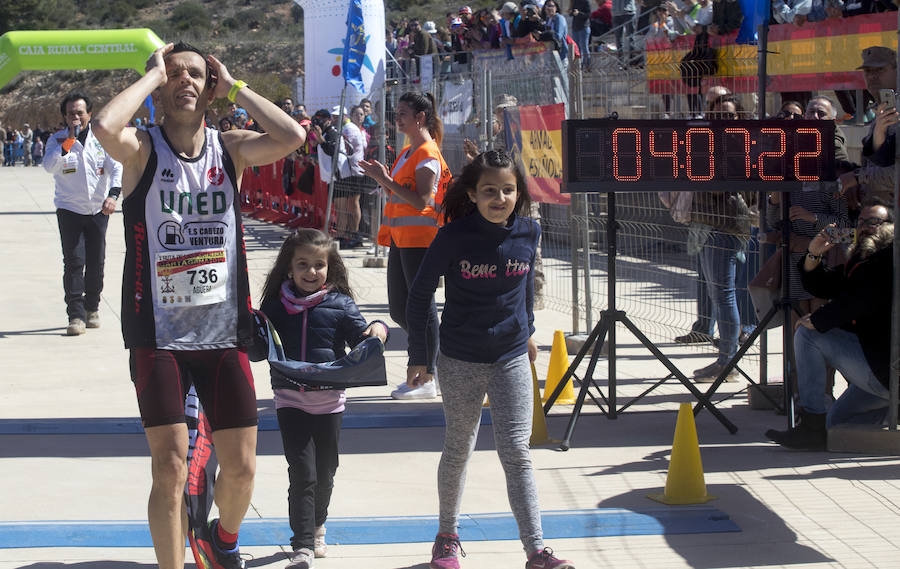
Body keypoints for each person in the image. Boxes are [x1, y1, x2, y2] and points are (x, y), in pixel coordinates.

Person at [91, 41, 306, 569]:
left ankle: (221, 538)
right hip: (157, 334)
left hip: (223, 331)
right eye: (174, 73)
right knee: (169, 467)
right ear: (161, 86)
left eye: (195, 74)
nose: (184, 80)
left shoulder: (229, 148)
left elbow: (293, 137)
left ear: (209, 88)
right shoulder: (141, 149)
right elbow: (101, 126)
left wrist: (233, 85)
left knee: (243, 470)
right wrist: (151, 75)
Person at [405, 150, 575, 569]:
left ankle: (536, 550)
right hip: (461, 357)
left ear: (519, 192)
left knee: (517, 451)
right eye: (489, 191)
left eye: (507, 189)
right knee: (459, 447)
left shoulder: (530, 232)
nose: (499, 197)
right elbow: (420, 293)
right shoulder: (453, 237)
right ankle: (446, 537)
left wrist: (529, 330)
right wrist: (420, 356)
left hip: (511, 356)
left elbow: (524, 288)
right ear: (472, 193)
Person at [258, 229, 388, 568]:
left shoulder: (340, 305)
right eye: (303, 264)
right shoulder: (274, 306)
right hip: (290, 399)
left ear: (330, 268)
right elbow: (258, 349)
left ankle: (317, 524)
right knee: (302, 471)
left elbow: (361, 338)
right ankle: (301, 544)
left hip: (329, 402)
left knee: (326, 471)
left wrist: (377, 329)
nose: (311, 272)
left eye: (319, 265)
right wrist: (247, 328)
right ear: (289, 268)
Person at [766, 199, 894, 450]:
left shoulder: (889, 259)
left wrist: (818, 320)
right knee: (836, 423)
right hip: (880, 371)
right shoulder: (864, 260)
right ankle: (891, 413)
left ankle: (811, 425)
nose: (866, 227)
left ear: (890, 226)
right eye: (861, 222)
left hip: (887, 369)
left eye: (874, 222)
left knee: (807, 335)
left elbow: (863, 299)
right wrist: (814, 253)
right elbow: (826, 285)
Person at [359, 92, 452, 400]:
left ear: (420, 118)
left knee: (421, 310)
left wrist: (385, 180)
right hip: (402, 239)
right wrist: (384, 179)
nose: (397, 118)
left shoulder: (426, 152)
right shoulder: (408, 152)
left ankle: (428, 376)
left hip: (420, 241)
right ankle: (427, 362)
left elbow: (422, 199)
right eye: (396, 113)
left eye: (402, 113)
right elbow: (402, 195)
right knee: (401, 309)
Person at [43, 92, 123, 336]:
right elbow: (49, 166)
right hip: (69, 210)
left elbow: (116, 166)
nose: (75, 117)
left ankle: (92, 308)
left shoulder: (102, 140)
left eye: (80, 112)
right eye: (70, 113)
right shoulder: (57, 141)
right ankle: (75, 315)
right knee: (75, 262)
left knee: (96, 262)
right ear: (65, 117)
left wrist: (113, 195)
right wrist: (68, 141)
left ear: (89, 113)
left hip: (98, 210)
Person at [690, 95, 756, 382]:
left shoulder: (738, 145)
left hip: (726, 228)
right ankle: (725, 360)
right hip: (705, 224)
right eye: (717, 115)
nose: (723, 122)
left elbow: (717, 187)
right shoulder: (706, 141)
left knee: (724, 294)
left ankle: (728, 362)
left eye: (729, 116)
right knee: (716, 295)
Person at [333, 105, 369, 248]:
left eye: (361, 114)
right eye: (357, 114)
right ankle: (351, 234)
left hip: (355, 171)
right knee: (351, 204)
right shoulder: (352, 128)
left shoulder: (349, 129)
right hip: (352, 170)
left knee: (353, 204)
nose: (359, 117)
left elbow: (349, 151)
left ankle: (354, 235)